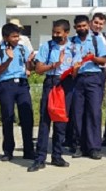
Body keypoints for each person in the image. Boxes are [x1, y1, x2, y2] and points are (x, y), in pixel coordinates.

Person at [29, 19, 79, 172]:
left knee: (61, 120)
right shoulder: (47, 46)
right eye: (54, 32)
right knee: (45, 120)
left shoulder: (74, 48)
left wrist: (75, 69)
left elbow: (75, 72)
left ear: (66, 33)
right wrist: (54, 65)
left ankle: (57, 155)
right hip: (51, 82)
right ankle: (40, 158)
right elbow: (38, 69)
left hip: (66, 84)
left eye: (59, 32)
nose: (55, 35)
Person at [0, 23, 36, 161]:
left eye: (18, 36)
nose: (17, 39)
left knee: (27, 117)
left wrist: (30, 62)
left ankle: (29, 150)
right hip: (6, 85)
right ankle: (8, 151)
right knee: (8, 117)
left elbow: (31, 68)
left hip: (22, 84)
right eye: (14, 36)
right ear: (5, 37)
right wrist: (9, 59)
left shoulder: (23, 49)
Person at [70, 15, 106, 160]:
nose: (82, 29)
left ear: (88, 25)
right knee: (77, 113)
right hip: (76, 78)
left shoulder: (96, 40)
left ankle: (94, 147)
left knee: (93, 112)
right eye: (79, 26)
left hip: (93, 78)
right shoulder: (71, 42)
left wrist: (93, 58)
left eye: (84, 26)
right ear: (75, 28)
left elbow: (104, 60)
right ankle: (79, 146)